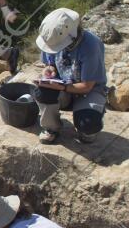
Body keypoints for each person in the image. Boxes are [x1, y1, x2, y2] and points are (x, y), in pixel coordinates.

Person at [32, 8, 106, 145]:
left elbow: (87, 86)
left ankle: (87, 125)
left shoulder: (91, 46)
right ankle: (51, 128)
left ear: (71, 36)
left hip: (88, 92)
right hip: (63, 86)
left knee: (88, 123)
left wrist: (62, 87)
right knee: (42, 91)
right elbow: (50, 62)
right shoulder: (53, 37)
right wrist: (50, 70)